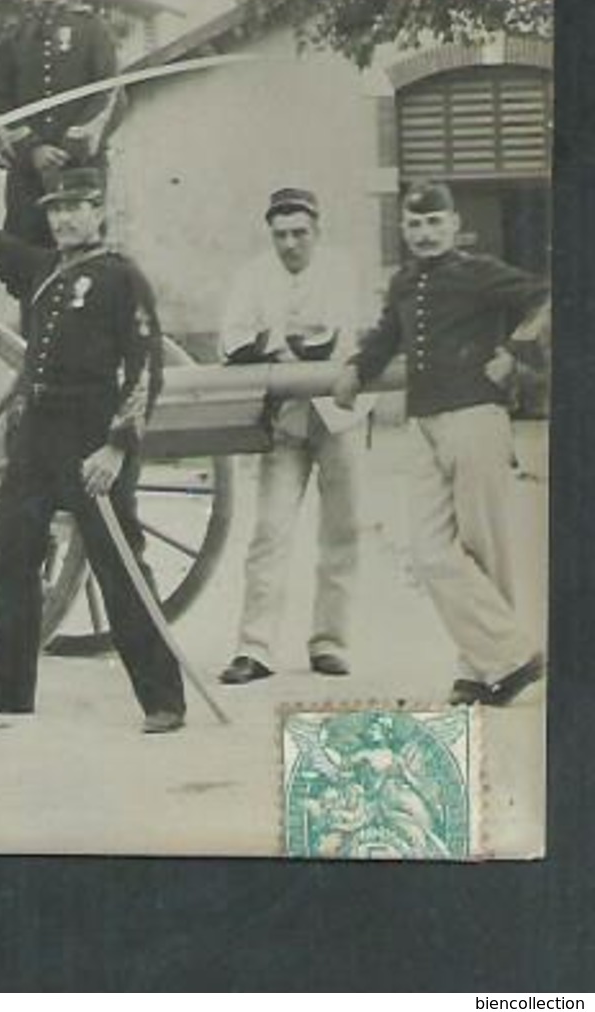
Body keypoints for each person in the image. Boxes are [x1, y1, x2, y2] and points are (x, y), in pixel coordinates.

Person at [0, 123, 186, 733]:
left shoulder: (121, 276)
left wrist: (116, 446)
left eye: (75, 210)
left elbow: (145, 368)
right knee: (11, 561)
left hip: (93, 436)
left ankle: (163, 700)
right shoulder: (43, 269)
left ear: (99, 211)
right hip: (38, 433)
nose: (64, 222)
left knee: (119, 565)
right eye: (55, 211)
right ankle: (4, 691)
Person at [334, 180, 549, 707]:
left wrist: (515, 355)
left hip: (477, 415)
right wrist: (356, 370)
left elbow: (546, 298)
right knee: (430, 552)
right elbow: (386, 336)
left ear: (455, 224)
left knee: (483, 546)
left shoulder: (480, 273)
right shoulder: (405, 283)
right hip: (424, 423)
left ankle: (480, 669)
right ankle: (514, 655)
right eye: (414, 224)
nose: (425, 233)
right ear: (403, 230)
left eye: (434, 222)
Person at [217, 188, 365, 684]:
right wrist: (275, 351)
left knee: (341, 531)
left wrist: (284, 344)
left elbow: (341, 336)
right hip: (285, 419)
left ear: (317, 231)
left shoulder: (342, 270)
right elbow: (232, 338)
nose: (290, 244)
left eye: (300, 233)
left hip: (340, 413)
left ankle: (330, 641)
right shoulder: (253, 275)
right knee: (270, 533)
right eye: (280, 234)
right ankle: (254, 647)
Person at [0, 0, 122, 252]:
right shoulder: (13, 38)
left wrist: (76, 143)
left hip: (80, 169)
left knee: (85, 254)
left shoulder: (92, 29)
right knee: (28, 257)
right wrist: (32, 149)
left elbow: (110, 91)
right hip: (28, 174)